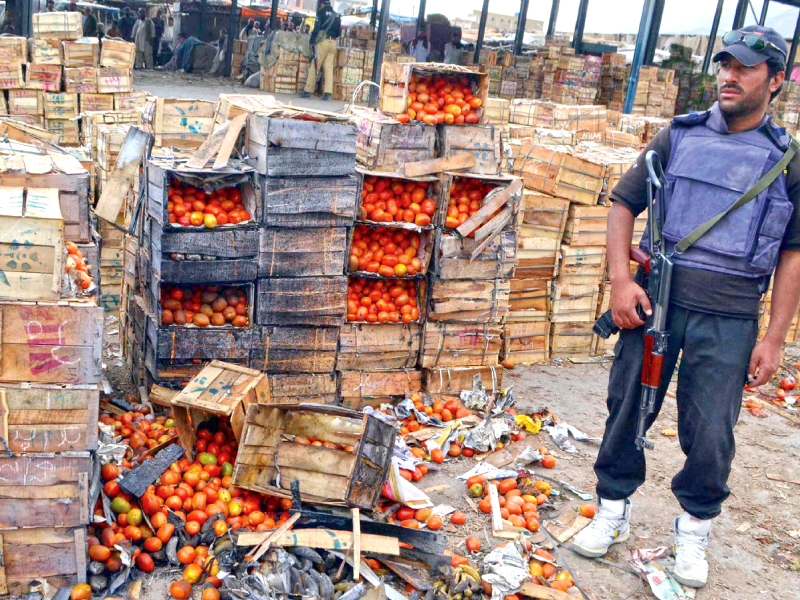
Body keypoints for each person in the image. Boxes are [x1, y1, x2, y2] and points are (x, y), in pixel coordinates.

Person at [571, 25, 800, 589]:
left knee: (712, 434)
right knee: (627, 410)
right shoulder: (678, 136)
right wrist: (621, 282)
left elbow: (793, 255)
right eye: (725, 64)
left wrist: (774, 339)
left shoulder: (787, 161)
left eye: (745, 68)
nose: (729, 75)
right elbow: (623, 203)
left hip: (730, 320)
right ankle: (612, 510)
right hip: (658, 306)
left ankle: (695, 530)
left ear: (774, 82)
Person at [298, 0, 340, 101]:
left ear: (322, 4)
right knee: (328, 68)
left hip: (323, 42)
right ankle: (328, 94)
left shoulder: (321, 12)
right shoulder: (336, 15)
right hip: (333, 42)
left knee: (314, 65)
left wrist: (312, 42)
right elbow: (339, 32)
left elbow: (316, 28)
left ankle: (308, 91)